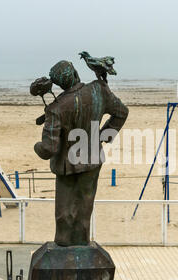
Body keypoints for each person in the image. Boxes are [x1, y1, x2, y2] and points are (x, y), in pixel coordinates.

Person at [33, 60, 129, 246]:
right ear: (76, 73)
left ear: (59, 84)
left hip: (66, 165)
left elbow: (48, 149)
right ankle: (81, 243)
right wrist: (103, 135)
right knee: (85, 205)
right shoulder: (99, 90)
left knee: (64, 210)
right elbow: (121, 113)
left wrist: (36, 146)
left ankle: (63, 244)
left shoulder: (56, 108)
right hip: (92, 160)